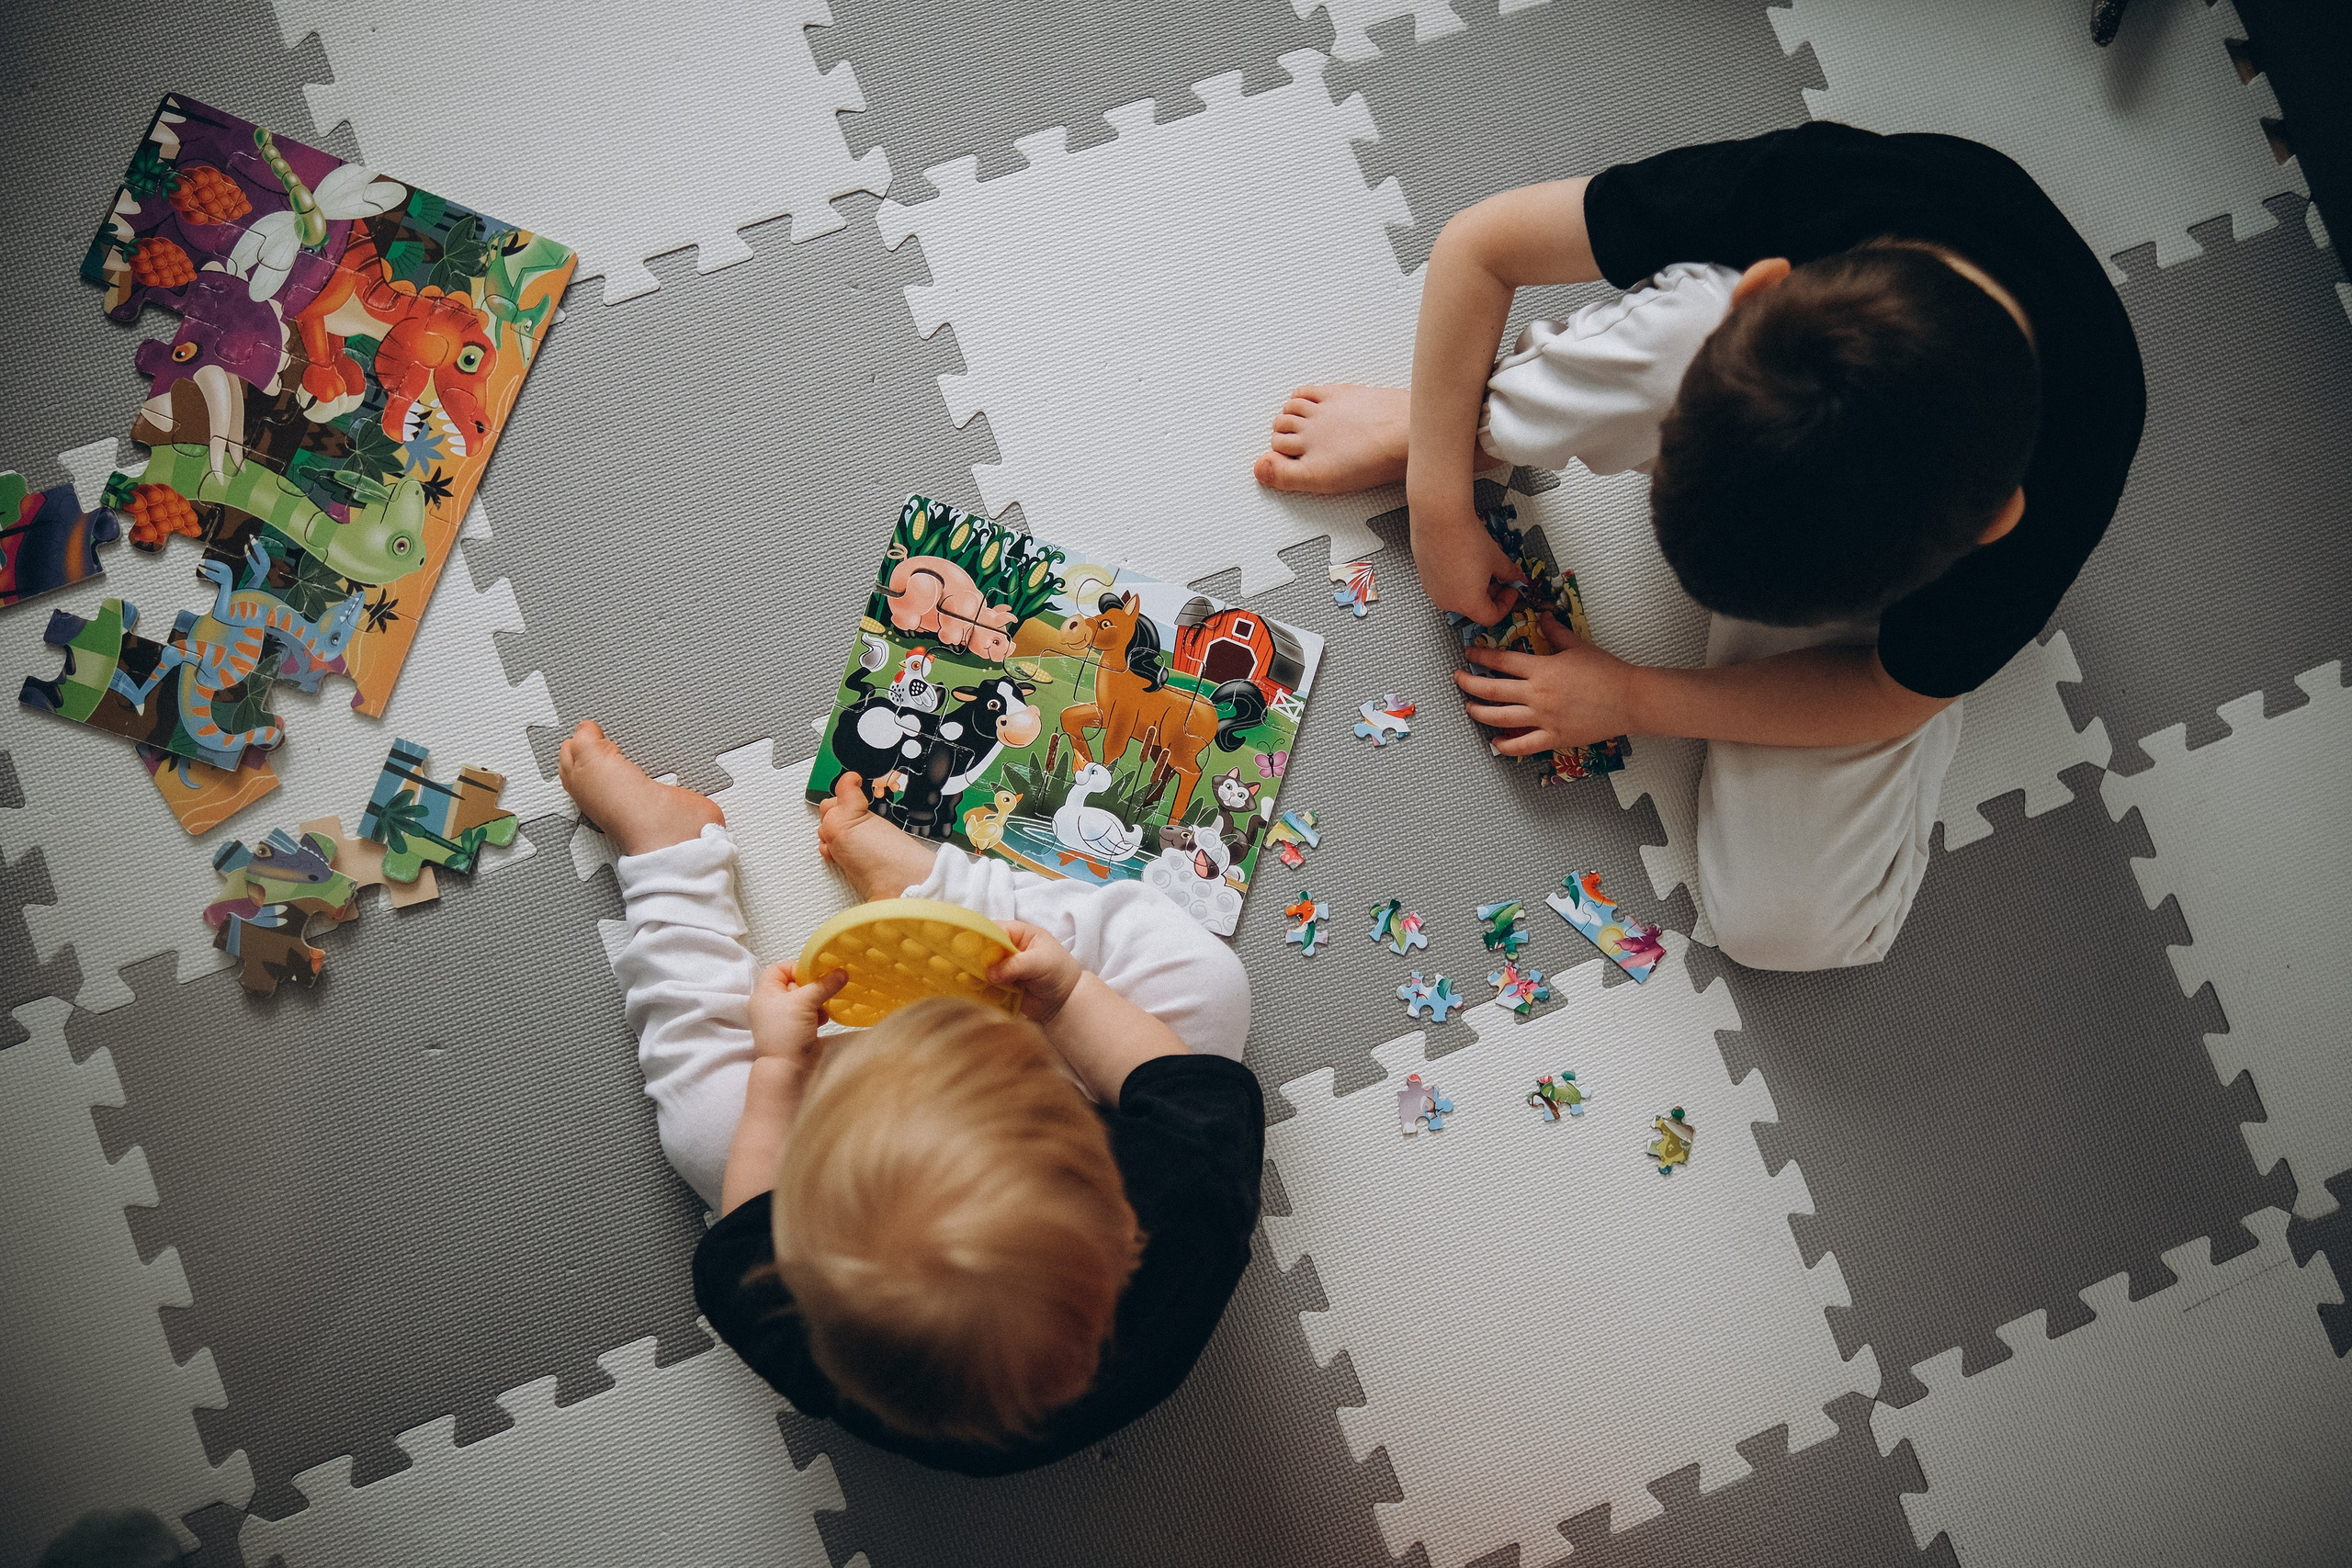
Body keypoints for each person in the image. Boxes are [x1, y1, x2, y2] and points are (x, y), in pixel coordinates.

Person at [1256, 122, 2144, 970]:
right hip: (1774, 388)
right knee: (1674, 338)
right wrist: (1438, 503)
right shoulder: (1818, 189)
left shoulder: (2048, 498)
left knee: (1785, 926)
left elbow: (1885, 694)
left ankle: (1462, 415)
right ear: (1760, 289)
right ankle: (1455, 427)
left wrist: (1633, 697)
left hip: (1888, 610)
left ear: (1991, 524)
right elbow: (1482, 246)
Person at [558, 719, 1261, 1474]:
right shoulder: (1193, 1179)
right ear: (1120, 1212)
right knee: (1208, 983)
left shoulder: (785, 1308)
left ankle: (670, 859)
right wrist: (1063, 996)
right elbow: (1178, 1077)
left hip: (890, 1100)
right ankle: (947, 897)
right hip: (1077, 1069)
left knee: (706, 1130)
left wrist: (778, 1071)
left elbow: (748, 1220)